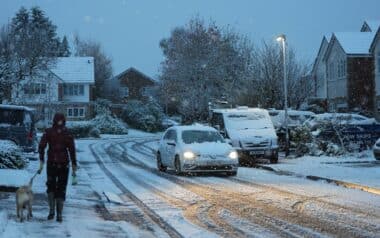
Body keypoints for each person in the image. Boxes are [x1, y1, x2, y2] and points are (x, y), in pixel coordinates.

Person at [38, 113, 77, 222]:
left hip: (52, 164)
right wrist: (74, 163)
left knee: (51, 186)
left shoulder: (48, 132)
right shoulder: (67, 133)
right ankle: (59, 214)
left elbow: (41, 146)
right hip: (63, 164)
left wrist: (41, 158)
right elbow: (72, 149)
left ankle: (52, 211)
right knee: (61, 187)